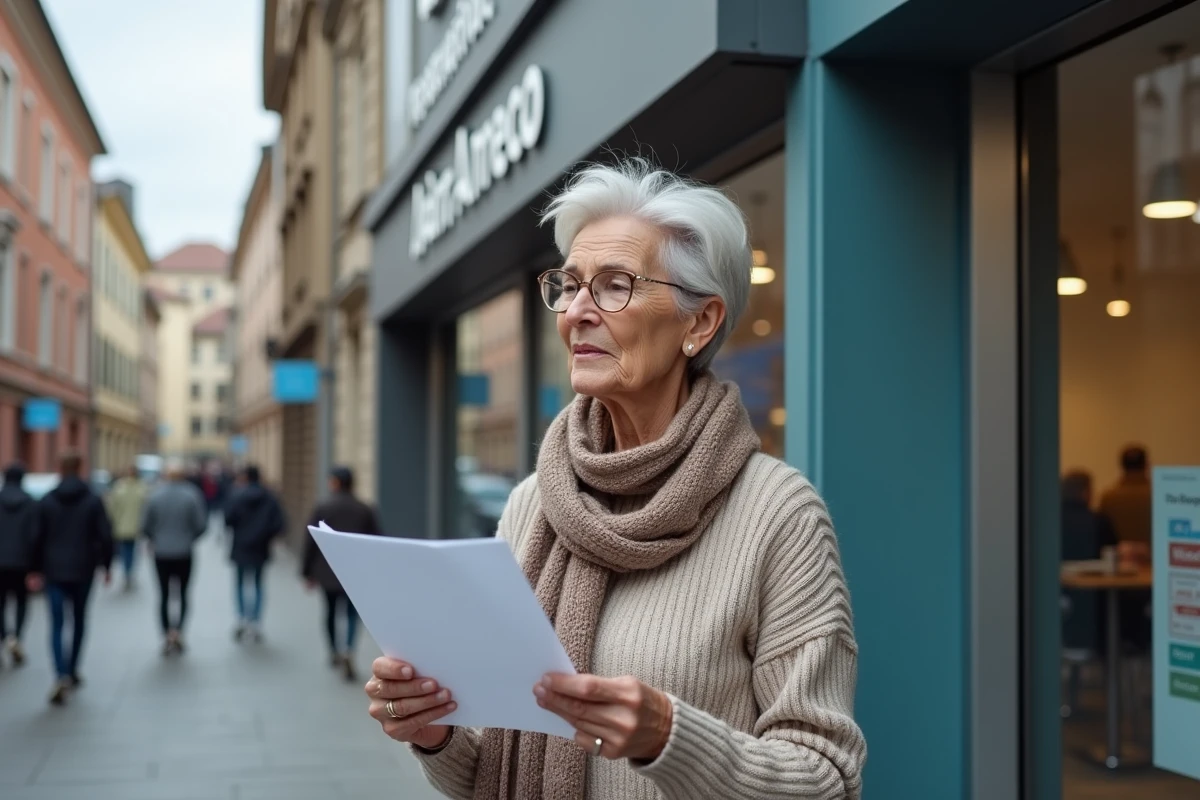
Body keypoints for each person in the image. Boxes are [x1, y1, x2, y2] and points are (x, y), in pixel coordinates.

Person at [365, 159, 866, 799]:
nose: (576, 312)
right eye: (570, 285)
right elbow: (495, 766)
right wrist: (433, 730)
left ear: (700, 322)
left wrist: (670, 738)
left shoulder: (778, 514)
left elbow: (828, 778)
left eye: (613, 286)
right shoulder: (533, 504)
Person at [29, 451, 114, 705]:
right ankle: (73, 668)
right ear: (80, 468)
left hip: (53, 569)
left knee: (56, 623)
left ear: (60, 469)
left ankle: (60, 673)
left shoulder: (47, 500)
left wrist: (34, 569)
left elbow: (36, 538)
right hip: (83, 568)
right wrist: (107, 565)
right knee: (78, 619)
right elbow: (105, 535)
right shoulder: (92, 499)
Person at [302, 465, 381, 681]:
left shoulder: (323, 507)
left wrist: (307, 572)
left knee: (330, 612)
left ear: (335, 482)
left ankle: (334, 650)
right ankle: (349, 649)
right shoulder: (364, 508)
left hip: (327, 573)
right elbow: (376, 541)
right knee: (352, 615)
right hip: (356, 574)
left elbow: (311, 542)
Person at [141, 459, 208, 656]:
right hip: (184, 552)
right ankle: (178, 631)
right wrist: (189, 538)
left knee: (163, 595)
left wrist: (155, 538)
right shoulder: (192, 495)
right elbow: (202, 524)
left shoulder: (155, 495)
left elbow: (145, 525)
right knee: (183, 594)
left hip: (161, 553)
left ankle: (166, 633)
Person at [224, 464, 285, 643]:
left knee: (240, 583)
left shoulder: (236, 495)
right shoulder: (269, 497)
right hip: (260, 548)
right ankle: (256, 622)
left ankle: (242, 618)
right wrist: (265, 535)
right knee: (258, 584)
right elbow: (279, 523)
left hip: (240, 546)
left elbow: (228, 519)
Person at [0, 463, 39, 667]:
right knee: (22, 601)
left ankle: (5, 636)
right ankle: (17, 637)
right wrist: (35, 567)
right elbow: (34, 537)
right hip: (21, 562)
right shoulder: (30, 503)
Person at [105, 466, 149, 590]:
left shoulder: (119, 488)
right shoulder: (142, 488)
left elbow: (111, 508)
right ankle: (129, 572)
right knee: (133, 551)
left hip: (122, 526)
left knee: (125, 551)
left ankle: (127, 572)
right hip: (136, 526)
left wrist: (112, 522)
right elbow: (147, 509)